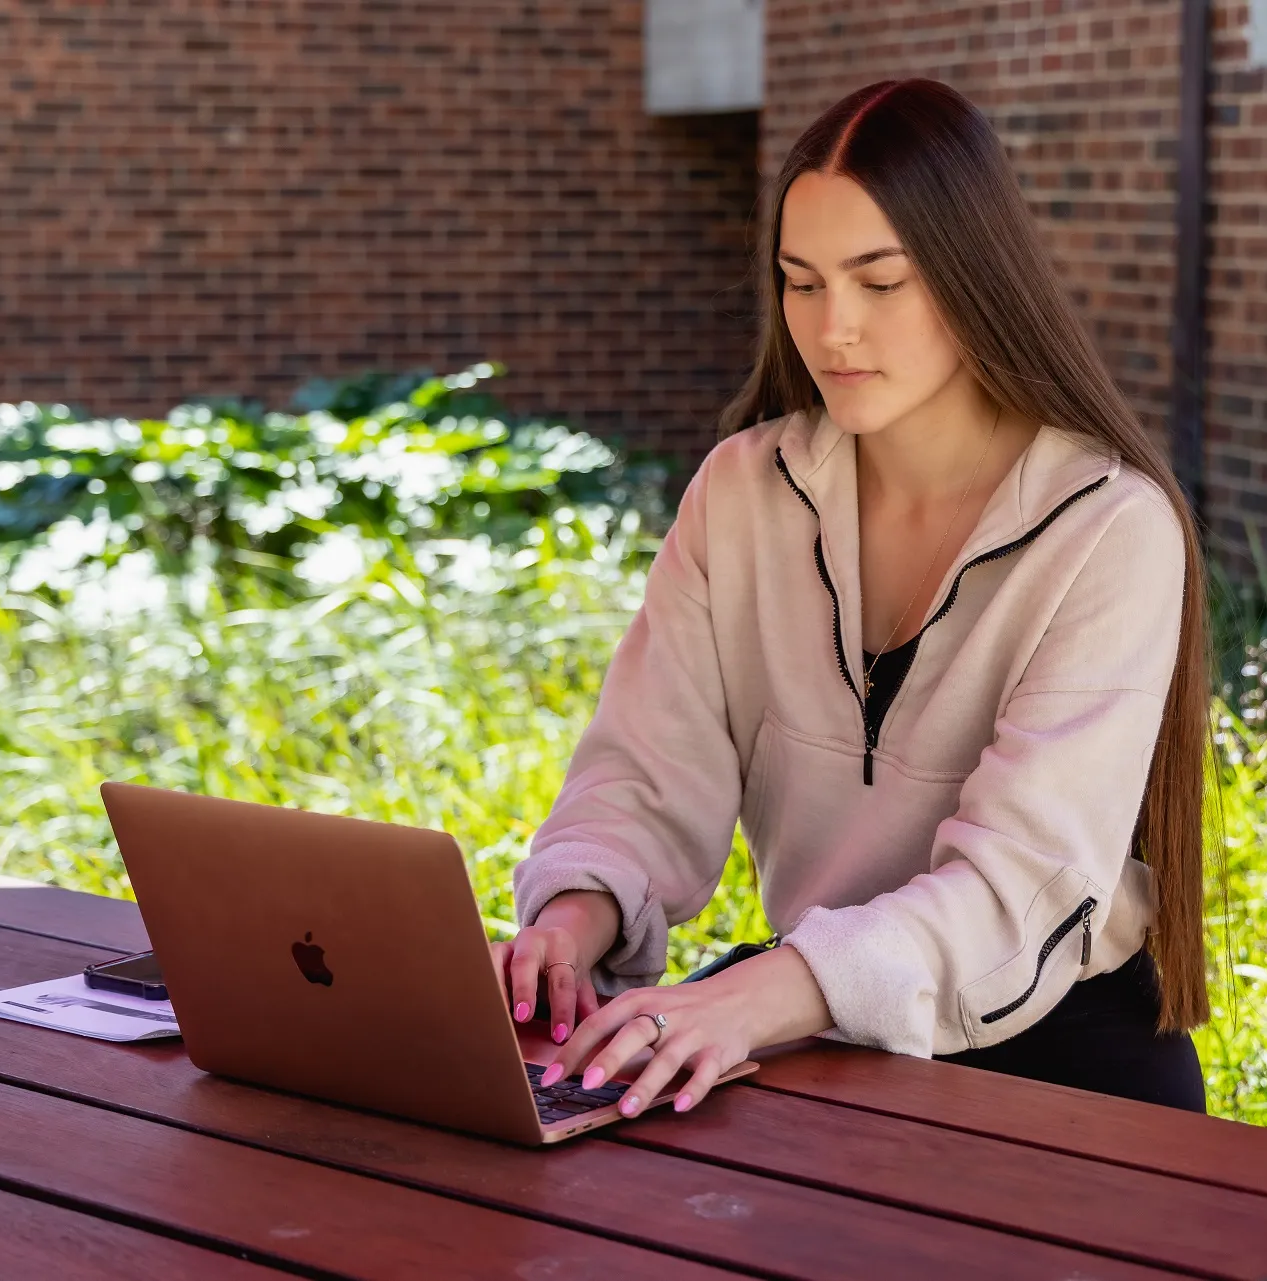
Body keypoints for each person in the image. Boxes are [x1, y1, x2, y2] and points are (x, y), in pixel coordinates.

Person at [495, 78, 1213, 1120]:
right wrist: (570, 921)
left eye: (881, 283)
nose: (835, 330)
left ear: (975, 280)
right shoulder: (743, 494)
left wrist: (751, 996)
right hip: (818, 1037)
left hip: (1058, 1068)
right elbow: (647, 779)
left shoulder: (1109, 527)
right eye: (802, 282)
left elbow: (1014, 891)